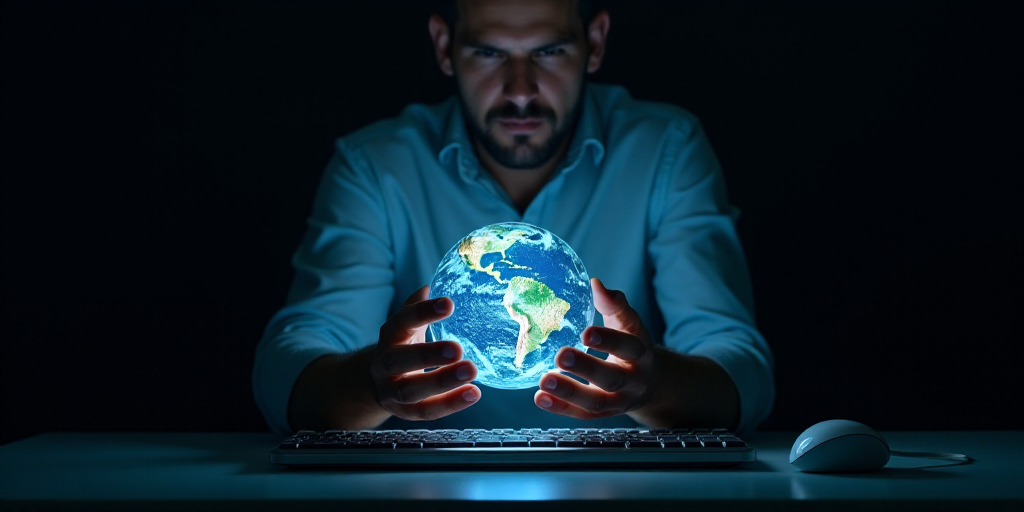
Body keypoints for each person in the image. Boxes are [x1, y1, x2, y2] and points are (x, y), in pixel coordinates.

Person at [252, 0, 774, 436]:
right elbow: (289, 362)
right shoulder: (375, 167)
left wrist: (657, 384)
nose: (520, 89)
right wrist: (369, 384)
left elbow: (740, 366)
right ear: (443, 47)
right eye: (488, 52)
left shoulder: (666, 151)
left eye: (548, 52)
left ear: (594, 43)